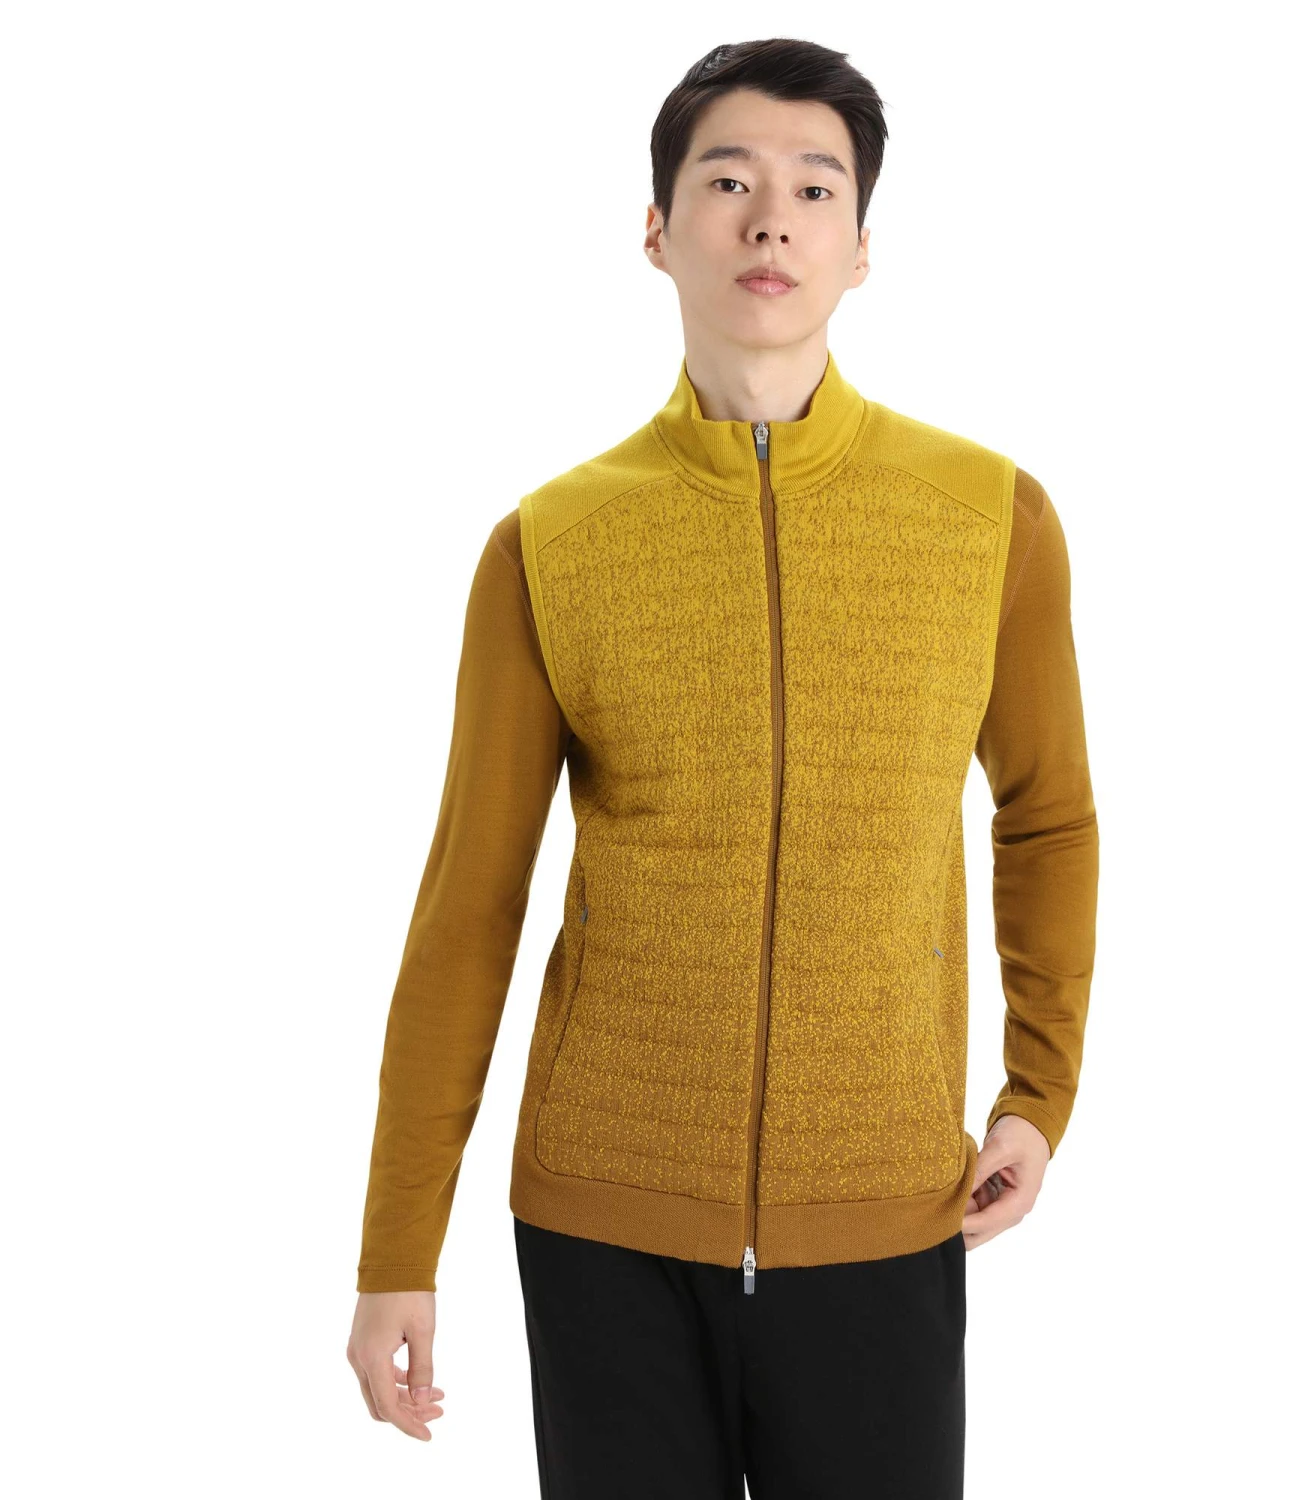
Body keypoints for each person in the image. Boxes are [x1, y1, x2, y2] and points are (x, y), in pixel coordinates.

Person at [346, 36, 1099, 1499]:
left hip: (885, 1211)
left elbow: (1049, 817)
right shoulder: (551, 544)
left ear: (861, 250)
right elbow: (469, 906)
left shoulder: (988, 518)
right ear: (657, 229)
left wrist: (1038, 1091)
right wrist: (397, 1252)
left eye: (816, 188)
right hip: (604, 1231)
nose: (772, 220)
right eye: (728, 180)